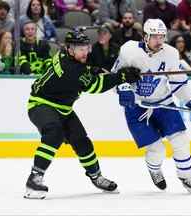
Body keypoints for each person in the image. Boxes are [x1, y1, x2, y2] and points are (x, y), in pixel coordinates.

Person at [24, 28, 141, 199]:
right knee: (54, 133)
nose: (84, 52)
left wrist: (93, 70)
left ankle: (96, 177)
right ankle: (34, 178)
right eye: (80, 49)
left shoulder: (65, 55)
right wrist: (121, 77)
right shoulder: (71, 69)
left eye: (86, 47)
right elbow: (95, 86)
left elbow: (85, 72)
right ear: (70, 49)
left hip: (63, 109)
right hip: (40, 104)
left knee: (82, 141)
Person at [111, 19, 191, 192]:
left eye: (162, 36)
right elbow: (114, 77)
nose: (159, 40)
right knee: (157, 150)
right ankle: (154, 170)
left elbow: (179, 83)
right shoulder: (129, 50)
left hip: (164, 103)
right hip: (137, 107)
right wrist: (123, 88)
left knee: (181, 140)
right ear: (145, 36)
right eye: (155, 36)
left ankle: (187, 177)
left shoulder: (171, 53)